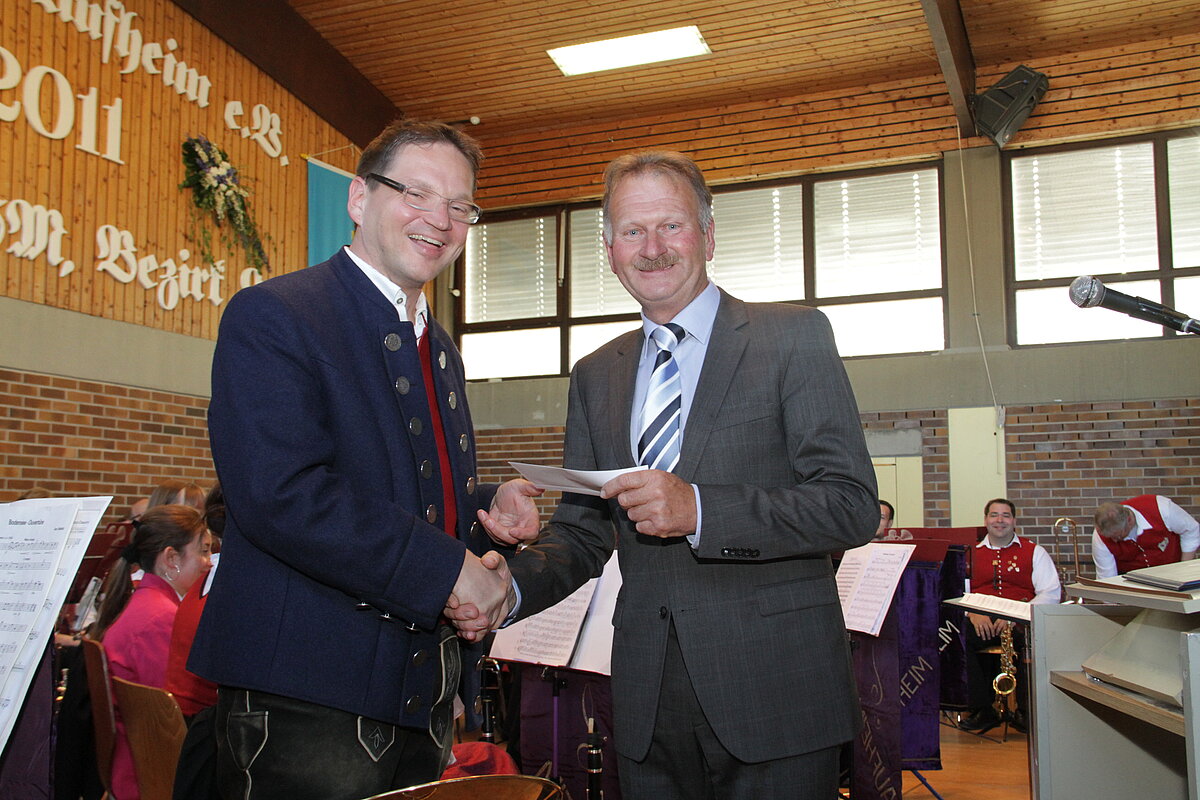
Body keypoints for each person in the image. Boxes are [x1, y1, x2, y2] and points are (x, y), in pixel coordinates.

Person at [458, 150, 878, 799]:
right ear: (609, 251)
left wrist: (701, 510)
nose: (652, 248)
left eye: (670, 226)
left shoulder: (792, 337)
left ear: (707, 234)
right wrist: (507, 587)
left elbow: (849, 505)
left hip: (777, 692)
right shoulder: (595, 374)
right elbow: (584, 533)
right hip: (648, 701)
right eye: (632, 231)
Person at [189, 118, 541, 800]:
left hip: (417, 696)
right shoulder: (274, 314)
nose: (439, 219)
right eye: (417, 193)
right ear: (358, 198)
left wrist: (483, 509)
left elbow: (397, 487)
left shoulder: (440, 347)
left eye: (459, 205)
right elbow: (281, 494)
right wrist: (450, 571)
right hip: (306, 701)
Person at [94, 505, 213, 800]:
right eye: (203, 551)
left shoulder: (148, 603)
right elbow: (171, 717)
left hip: (137, 765)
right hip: (150, 774)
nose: (209, 563)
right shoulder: (161, 618)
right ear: (171, 559)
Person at [961, 498, 1060, 733]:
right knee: (957, 640)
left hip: (1020, 623)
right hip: (981, 621)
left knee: (1033, 643)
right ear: (985, 520)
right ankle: (982, 709)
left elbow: (1051, 593)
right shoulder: (969, 554)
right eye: (994, 515)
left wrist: (1016, 615)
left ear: (1014, 521)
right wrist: (971, 612)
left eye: (1005, 515)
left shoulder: (1035, 552)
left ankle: (1026, 711)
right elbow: (958, 592)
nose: (1000, 520)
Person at [1091, 494, 1199, 578]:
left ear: (1129, 520)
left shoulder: (1161, 507)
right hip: (1133, 585)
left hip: (1174, 574)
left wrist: (1185, 569)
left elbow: (1191, 529)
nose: (1114, 541)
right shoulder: (1101, 536)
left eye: (1118, 536)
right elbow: (1107, 578)